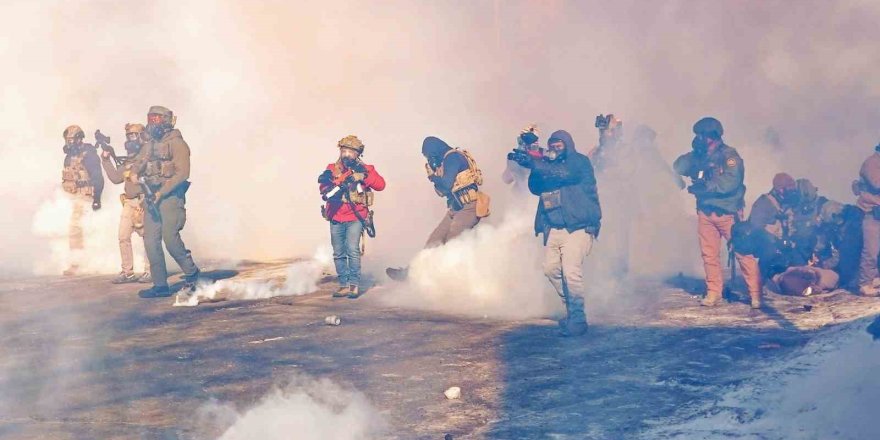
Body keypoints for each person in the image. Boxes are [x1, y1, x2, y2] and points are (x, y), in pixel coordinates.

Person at [515, 129, 600, 336]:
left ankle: (578, 321)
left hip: (578, 227)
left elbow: (565, 175)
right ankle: (572, 308)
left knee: (571, 272)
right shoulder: (548, 166)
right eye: (551, 145)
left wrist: (537, 162)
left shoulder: (579, 162)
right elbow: (535, 187)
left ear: (568, 145)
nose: (554, 148)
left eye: (558, 144)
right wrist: (533, 164)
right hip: (554, 227)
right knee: (550, 269)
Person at [673, 117, 761, 308]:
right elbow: (678, 166)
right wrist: (694, 158)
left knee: (743, 253)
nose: (699, 139)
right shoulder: (699, 155)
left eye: (702, 136)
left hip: (727, 213)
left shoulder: (729, 157)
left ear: (713, 136)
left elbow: (731, 182)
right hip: (706, 213)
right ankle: (714, 293)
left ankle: (755, 294)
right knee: (709, 255)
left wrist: (707, 186)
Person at [385, 136, 490, 280]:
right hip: (456, 207)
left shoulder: (452, 158)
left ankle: (449, 283)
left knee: (452, 244)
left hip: (468, 207)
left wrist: (434, 177)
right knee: (434, 240)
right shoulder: (446, 160)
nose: (429, 159)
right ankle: (411, 274)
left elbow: (446, 184)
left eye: (428, 155)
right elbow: (443, 191)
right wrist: (435, 177)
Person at [131, 106, 200, 299]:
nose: (153, 124)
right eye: (150, 119)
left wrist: (162, 192)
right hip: (151, 196)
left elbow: (182, 173)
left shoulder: (177, 143)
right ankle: (160, 285)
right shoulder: (150, 143)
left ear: (167, 121)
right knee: (151, 241)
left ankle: (192, 274)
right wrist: (135, 173)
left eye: (157, 119)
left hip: (170, 198)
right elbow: (140, 160)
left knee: (170, 238)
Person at [318, 135, 385, 299]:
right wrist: (337, 183)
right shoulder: (331, 169)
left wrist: (363, 177)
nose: (346, 154)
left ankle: (353, 285)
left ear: (358, 154)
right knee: (338, 252)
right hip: (335, 216)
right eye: (344, 150)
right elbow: (323, 188)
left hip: (356, 217)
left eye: (351, 151)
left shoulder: (366, 169)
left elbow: (381, 185)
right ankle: (343, 285)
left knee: (353, 251)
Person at [100, 123, 152, 284]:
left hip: (143, 201)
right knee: (123, 236)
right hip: (129, 202)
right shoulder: (129, 159)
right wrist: (106, 160)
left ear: (142, 136)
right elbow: (116, 178)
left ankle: (150, 270)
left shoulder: (148, 156)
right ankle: (127, 272)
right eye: (129, 136)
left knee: (147, 237)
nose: (131, 139)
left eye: (134, 135)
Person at [60, 125, 104, 275]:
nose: (69, 142)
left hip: (84, 196)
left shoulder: (89, 155)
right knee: (74, 230)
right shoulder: (69, 157)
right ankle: (79, 262)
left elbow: (98, 178)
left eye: (71, 139)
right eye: (67, 140)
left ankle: (78, 264)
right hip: (71, 196)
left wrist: (97, 199)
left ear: (79, 138)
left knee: (76, 229)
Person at [853, 142, 880, 296]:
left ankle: (874, 277)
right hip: (872, 212)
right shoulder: (871, 163)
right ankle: (865, 283)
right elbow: (877, 184)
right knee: (871, 250)